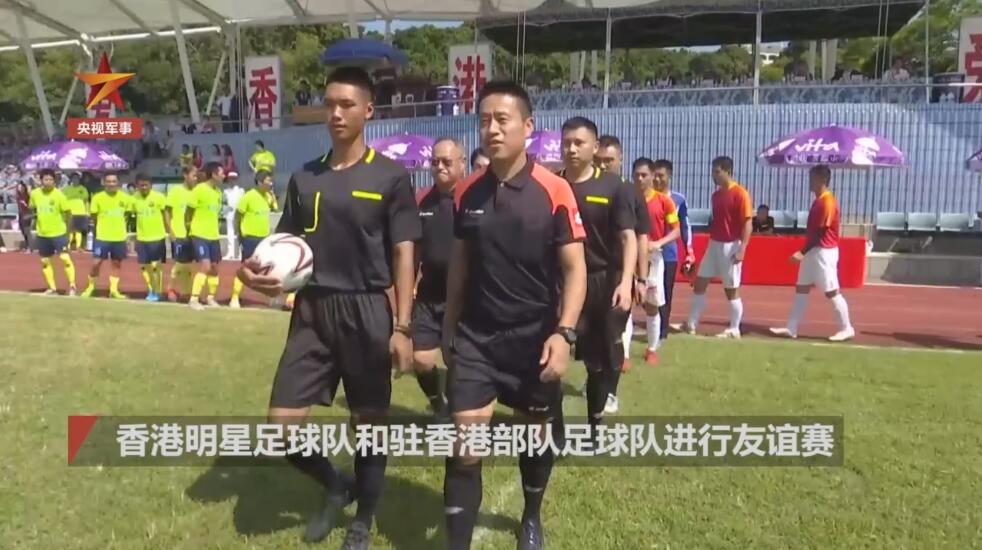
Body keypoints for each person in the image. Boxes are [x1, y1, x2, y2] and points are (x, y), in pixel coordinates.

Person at [236, 66, 420, 550]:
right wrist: (249, 273)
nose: (336, 113)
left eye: (347, 105)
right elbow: (280, 243)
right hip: (312, 311)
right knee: (281, 426)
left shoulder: (391, 176)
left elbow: (404, 252)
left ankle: (363, 520)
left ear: (368, 110)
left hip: (367, 310)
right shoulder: (305, 177)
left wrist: (403, 327)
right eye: (330, 104)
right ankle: (335, 483)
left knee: (368, 427)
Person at [442, 80, 587, 550]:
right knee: (465, 443)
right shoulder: (466, 192)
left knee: (533, 435)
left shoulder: (555, 190)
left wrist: (564, 334)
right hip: (476, 339)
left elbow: (575, 269)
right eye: (484, 120)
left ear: (528, 127)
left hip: (534, 340)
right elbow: (460, 266)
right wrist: (448, 326)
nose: (492, 129)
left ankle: (530, 515)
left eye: (502, 120)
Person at [559, 119, 636, 423]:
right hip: (560, 281)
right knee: (550, 354)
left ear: (595, 147)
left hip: (601, 281)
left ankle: (594, 425)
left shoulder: (614, 187)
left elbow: (628, 237)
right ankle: (551, 429)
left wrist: (626, 282)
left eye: (579, 143)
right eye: (567, 143)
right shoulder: (553, 184)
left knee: (597, 363)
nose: (572, 149)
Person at [410, 137, 464, 421]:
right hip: (429, 295)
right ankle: (437, 402)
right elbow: (413, 253)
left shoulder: (472, 198)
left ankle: (457, 410)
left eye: (446, 162)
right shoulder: (422, 200)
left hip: (465, 298)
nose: (439, 167)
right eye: (434, 162)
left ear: (462, 164)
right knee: (420, 359)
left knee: (456, 361)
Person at [769, 165, 855, 342]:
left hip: (824, 252)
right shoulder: (818, 201)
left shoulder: (828, 201)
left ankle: (846, 328)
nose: (810, 182)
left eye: (813, 178)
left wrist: (802, 252)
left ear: (823, 180)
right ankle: (791, 327)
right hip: (813, 251)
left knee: (831, 291)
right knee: (801, 289)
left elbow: (822, 231)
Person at [672, 156, 752, 338]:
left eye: (717, 172)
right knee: (700, 283)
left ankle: (734, 328)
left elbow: (748, 223)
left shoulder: (741, 194)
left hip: (731, 245)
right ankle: (691, 324)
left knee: (731, 289)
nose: (713, 176)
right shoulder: (715, 196)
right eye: (713, 172)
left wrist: (742, 248)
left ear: (727, 171)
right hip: (714, 243)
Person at [595, 134, 650, 380]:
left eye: (609, 160)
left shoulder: (630, 191)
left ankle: (609, 388)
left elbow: (641, 237)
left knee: (613, 331)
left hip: (619, 272)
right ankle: (597, 381)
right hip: (590, 271)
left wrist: (641, 278)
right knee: (591, 335)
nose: (603, 165)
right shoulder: (587, 186)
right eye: (599, 160)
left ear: (620, 159)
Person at [638, 159, 680, 364]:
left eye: (644, 175)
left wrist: (658, 243)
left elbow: (676, 230)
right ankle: (624, 355)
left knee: (652, 304)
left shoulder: (665, 202)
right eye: (637, 175)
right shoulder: (628, 198)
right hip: (631, 256)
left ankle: (652, 349)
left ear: (652, 176)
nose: (640, 179)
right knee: (626, 304)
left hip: (654, 258)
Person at [655, 160, 693, 344]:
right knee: (648, 291)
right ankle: (652, 324)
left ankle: (662, 330)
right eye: (655, 175)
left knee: (666, 292)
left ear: (669, 176)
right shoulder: (646, 196)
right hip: (649, 252)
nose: (657, 179)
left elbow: (685, 226)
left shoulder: (678, 200)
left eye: (661, 175)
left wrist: (689, 251)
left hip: (669, 254)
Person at [229, 170, 278, 309]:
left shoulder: (268, 196)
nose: (271, 183)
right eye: (268, 180)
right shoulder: (248, 196)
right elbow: (237, 216)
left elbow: (275, 209)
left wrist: (272, 195)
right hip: (249, 237)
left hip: (264, 238)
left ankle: (272, 298)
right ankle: (234, 297)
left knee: (268, 268)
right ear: (260, 182)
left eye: (271, 180)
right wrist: (239, 234)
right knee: (246, 268)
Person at [80, 173, 131, 299]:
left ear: (118, 183)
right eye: (108, 181)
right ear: (104, 182)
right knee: (96, 263)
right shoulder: (98, 198)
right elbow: (94, 216)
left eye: (114, 181)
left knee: (116, 264)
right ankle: (90, 287)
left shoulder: (125, 198)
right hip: (102, 236)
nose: (111, 184)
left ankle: (113, 290)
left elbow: (127, 216)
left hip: (119, 237)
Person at [28, 169, 77, 295]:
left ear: (54, 181)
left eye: (51, 179)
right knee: (45, 261)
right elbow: (32, 209)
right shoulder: (35, 194)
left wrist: (68, 232)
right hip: (42, 233)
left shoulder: (59, 195)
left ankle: (72, 285)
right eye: (46, 179)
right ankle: (52, 288)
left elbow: (68, 213)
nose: (48, 182)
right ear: (41, 180)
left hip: (58, 233)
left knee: (65, 258)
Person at [187, 162, 225, 310]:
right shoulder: (199, 189)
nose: (223, 176)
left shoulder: (218, 192)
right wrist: (189, 227)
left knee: (214, 268)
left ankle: (210, 298)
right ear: (214, 174)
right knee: (205, 266)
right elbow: (189, 211)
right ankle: (194, 299)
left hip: (213, 235)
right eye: (221, 173)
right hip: (199, 234)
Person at [130, 173, 168, 302]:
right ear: (137, 186)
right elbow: (130, 215)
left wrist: (170, 231)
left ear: (151, 185)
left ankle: (158, 291)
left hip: (157, 237)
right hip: (142, 237)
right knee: (145, 267)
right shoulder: (133, 199)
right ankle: (151, 289)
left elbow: (165, 214)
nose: (144, 187)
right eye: (141, 185)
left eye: (146, 185)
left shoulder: (159, 197)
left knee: (156, 266)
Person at [164, 166, 198, 302]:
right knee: (179, 264)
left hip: (192, 234)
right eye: (193, 175)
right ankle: (170, 289)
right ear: (185, 175)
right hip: (178, 233)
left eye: (196, 176)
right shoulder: (175, 191)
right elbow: (167, 212)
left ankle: (185, 292)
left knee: (188, 266)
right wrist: (170, 231)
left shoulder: (197, 192)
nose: (195, 179)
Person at [63, 173, 90, 251]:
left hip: (81, 212)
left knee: (79, 231)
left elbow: (86, 201)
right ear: (71, 179)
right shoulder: (66, 189)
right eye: (74, 178)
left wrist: (87, 212)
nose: (75, 180)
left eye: (77, 178)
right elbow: (63, 201)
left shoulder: (83, 189)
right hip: (70, 212)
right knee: (70, 231)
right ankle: (67, 246)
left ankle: (79, 246)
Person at [223, 171, 245, 260]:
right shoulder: (225, 191)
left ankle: (240, 253)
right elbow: (224, 203)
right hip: (229, 215)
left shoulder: (241, 191)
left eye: (234, 179)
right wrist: (225, 212)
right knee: (230, 234)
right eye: (230, 179)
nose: (232, 180)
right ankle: (230, 253)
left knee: (240, 234)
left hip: (238, 215)